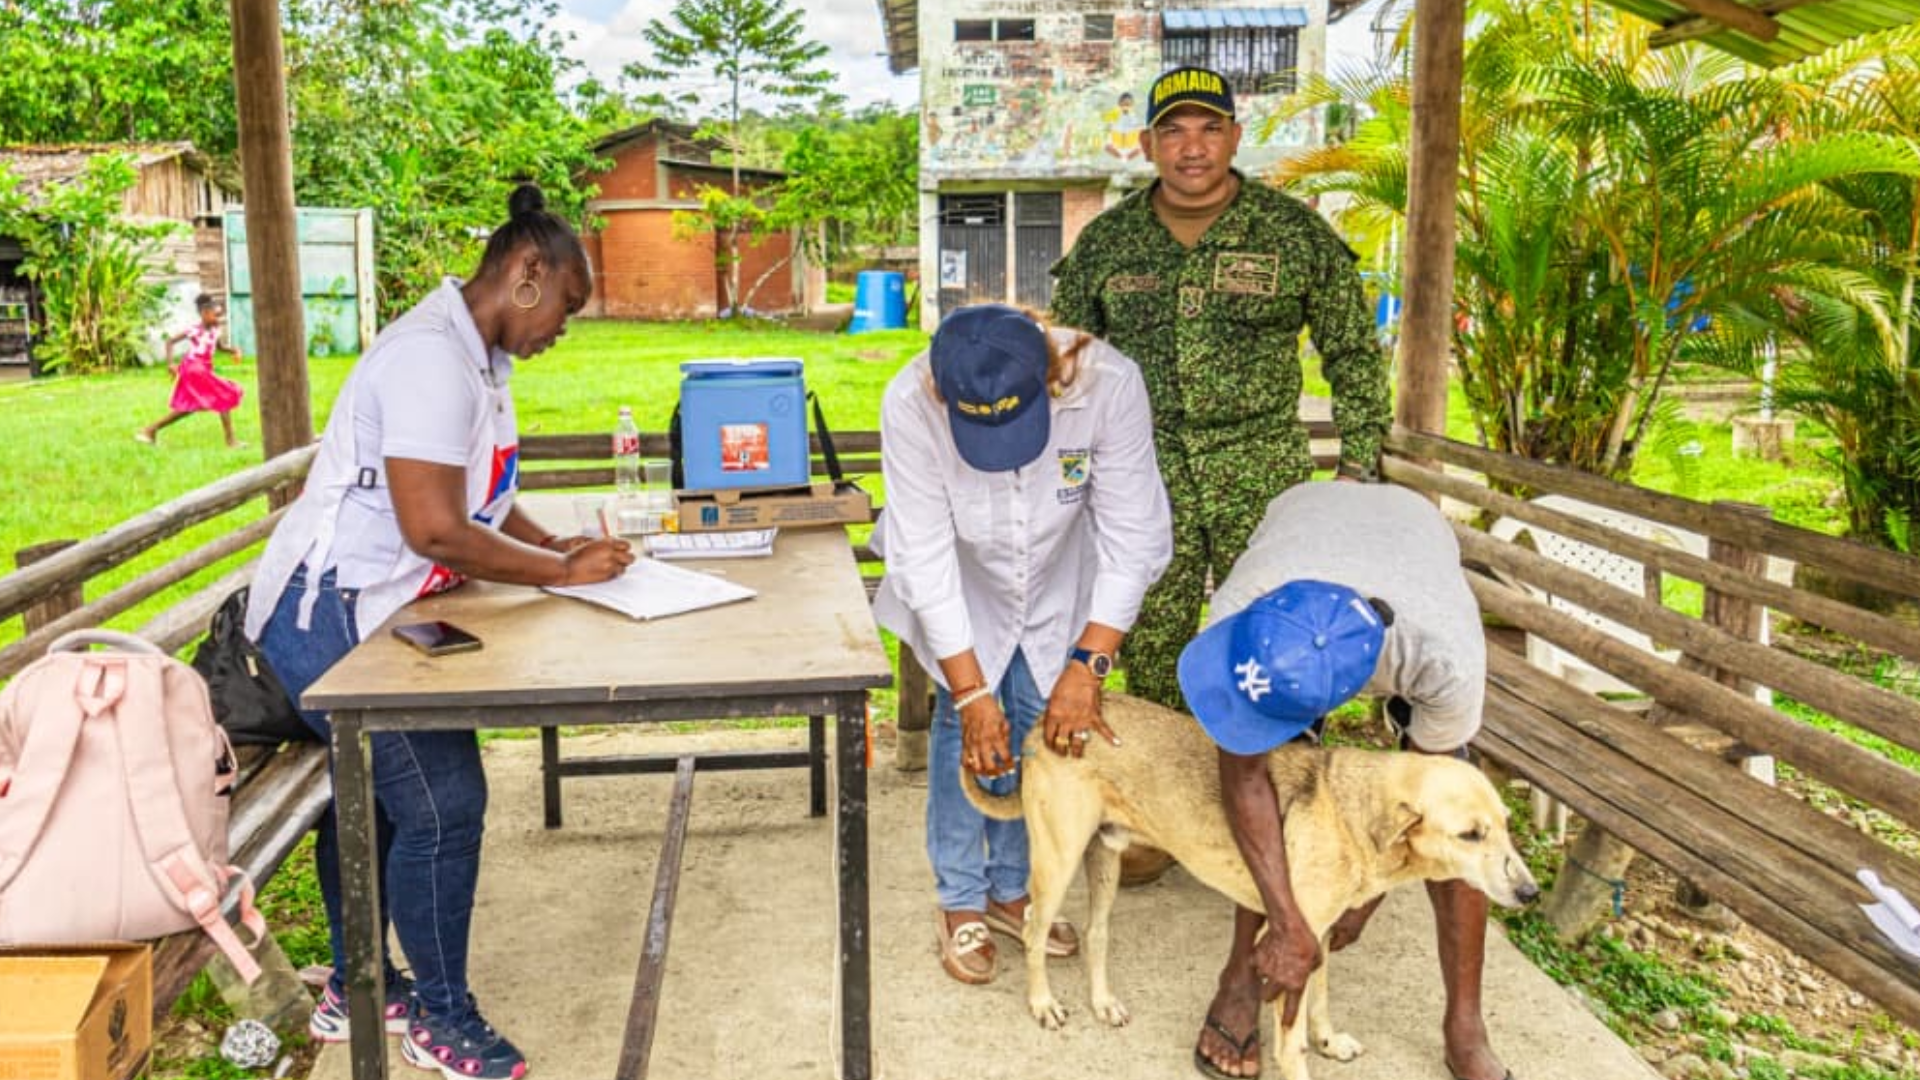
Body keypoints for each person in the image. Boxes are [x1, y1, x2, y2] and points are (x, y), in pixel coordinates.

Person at [243, 183, 633, 1080]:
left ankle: (356, 984)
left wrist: (550, 543)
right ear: (527, 273)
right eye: (566, 308)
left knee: (385, 795)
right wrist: (562, 574)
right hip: (327, 617)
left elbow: (482, 500)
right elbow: (434, 528)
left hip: (384, 607)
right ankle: (441, 1019)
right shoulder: (427, 359)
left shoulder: (478, 362)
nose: (562, 331)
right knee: (445, 802)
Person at [1049, 64, 1391, 888]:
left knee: (1278, 639)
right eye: (1173, 131)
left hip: (1262, 467)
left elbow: (1352, 347)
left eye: (1209, 129)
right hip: (1143, 467)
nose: (1191, 147)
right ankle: (1169, 819)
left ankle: (1290, 814)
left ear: (1236, 138)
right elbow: (1068, 362)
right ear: (1148, 145)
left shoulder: (1292, 233)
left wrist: (1357, 465)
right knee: (1154, 639)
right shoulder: (1109, 241)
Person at [871, 303, 1173, 985]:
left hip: (1066, 573)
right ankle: (958, 898)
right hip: (959, 577)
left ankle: (1012, 888)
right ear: (941, 391)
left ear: (1052, 372)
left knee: (1044, 726)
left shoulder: (1110, 384)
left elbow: (1136, 537)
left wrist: (1089, 663)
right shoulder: (908, 399)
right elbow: (924, 557)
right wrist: (973, 691)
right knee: (964, 727)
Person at [1175, 481, 1505, 1080]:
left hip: (1411, 534)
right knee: (1282, 783)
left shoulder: (1443, 657)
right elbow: (1245, 776)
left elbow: (1431, 801)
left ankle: (1466, 1024)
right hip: (1305, 513)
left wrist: (1363, 895)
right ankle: (1239, 978)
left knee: (1460, 830)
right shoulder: (1242, 614)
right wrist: (1289, 923)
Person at [138, 293, 246, 447]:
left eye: (218, 315)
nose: (217, 318)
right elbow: (170, 341)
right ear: (203, 314)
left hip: (201, 369)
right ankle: (231, 441)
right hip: (194, 368)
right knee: (224, 395)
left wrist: (234, 350)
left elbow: (220, 347)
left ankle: (150, 430)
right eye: (213, 314)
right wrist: (170, 363)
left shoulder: (216, 330)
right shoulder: (194, 330)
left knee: (188, 407)